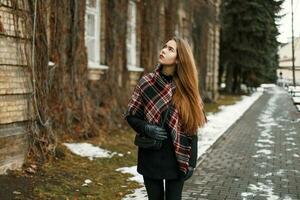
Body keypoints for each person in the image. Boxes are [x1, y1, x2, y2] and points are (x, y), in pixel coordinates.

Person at [124, 37, 207, 200]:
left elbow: (192, 129)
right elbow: (131, 116)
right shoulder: (146, 83)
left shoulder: (186, 89)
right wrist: (147, 128)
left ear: (179, 59)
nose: (163, 50)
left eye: (170, 49)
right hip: (151, 154)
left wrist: (191, 163)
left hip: (177, 157)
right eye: (164, 47)